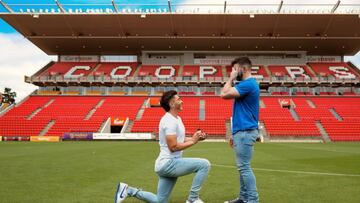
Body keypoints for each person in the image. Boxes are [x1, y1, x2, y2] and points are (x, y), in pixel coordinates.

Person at [115, 90, 211, 203]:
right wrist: (193, 141)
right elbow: (173, 147)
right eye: (179, 99)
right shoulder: (169, 121)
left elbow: (180, 139)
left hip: (166, 164)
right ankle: (193, 199)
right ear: (171, 104)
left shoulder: (176, 119)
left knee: (160, 201)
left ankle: (129, 190)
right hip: (168, 164)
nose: (182, 101)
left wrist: (196, 138)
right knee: (204, 164)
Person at [220, 57, 260, 203]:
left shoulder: (248, 84)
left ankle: (253, 200)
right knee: (242, 168)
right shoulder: (246, 84)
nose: (234, 72)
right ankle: (243, 198)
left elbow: (223, 94)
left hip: (245, 132)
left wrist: (230, 78)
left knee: (244, 168)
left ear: (243, 68)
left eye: (235, 69)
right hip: (241, 131)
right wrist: (233, 133)